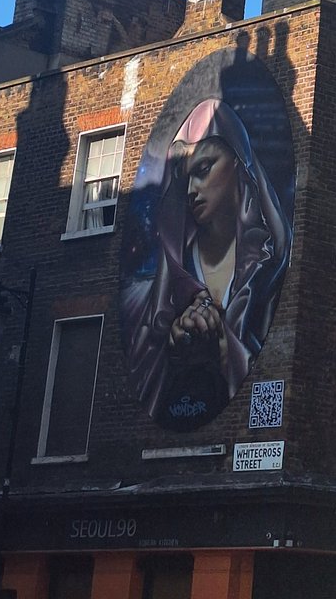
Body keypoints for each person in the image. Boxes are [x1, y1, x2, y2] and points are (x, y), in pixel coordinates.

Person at [122, 99, 291, 429]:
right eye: (185, 177)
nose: (191, 190)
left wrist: (226, 352)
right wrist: (177, 347)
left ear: (240, 165)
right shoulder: (165, 283)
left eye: (203, 170)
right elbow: (146, 375)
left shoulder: (270, 262)